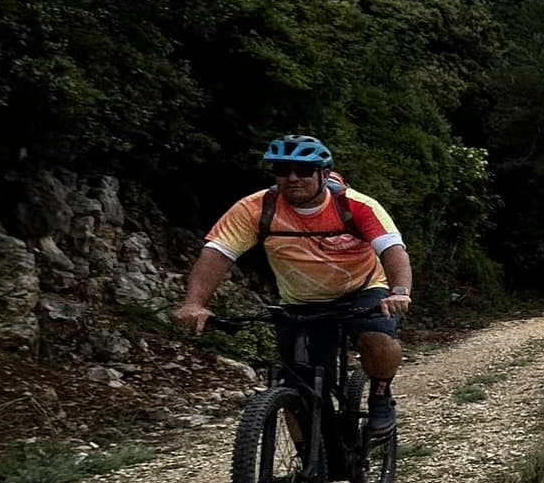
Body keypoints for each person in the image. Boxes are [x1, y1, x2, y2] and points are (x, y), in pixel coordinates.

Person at [174, 135, 414, 435]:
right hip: (302, 300)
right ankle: (307, 471)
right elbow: (216, 254)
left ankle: (380, 396)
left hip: (362, 288)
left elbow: (393, 251)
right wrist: (194, 303)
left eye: (303, 170)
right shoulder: (257, 208)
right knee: (298, 388)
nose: (292, 178)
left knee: (376, 335)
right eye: (282, 169)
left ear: (324, 175)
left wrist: (399, 292)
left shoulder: (356, 206)